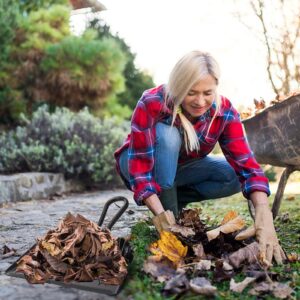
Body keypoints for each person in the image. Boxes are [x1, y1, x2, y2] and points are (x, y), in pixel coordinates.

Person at [114, 50, 285, 265]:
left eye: (207, 92)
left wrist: (263, 212)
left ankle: (172, 199)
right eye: (191, 92)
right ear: (178, 86)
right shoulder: (153, 102)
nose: (200, 101)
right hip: (137, 164)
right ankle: (167, 213)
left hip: (181, 171)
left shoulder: (224, 112)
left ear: (216, 88)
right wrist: (162, 219)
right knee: (168, 138)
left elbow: (247, 165)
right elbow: (140, 168)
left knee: (232, 174)